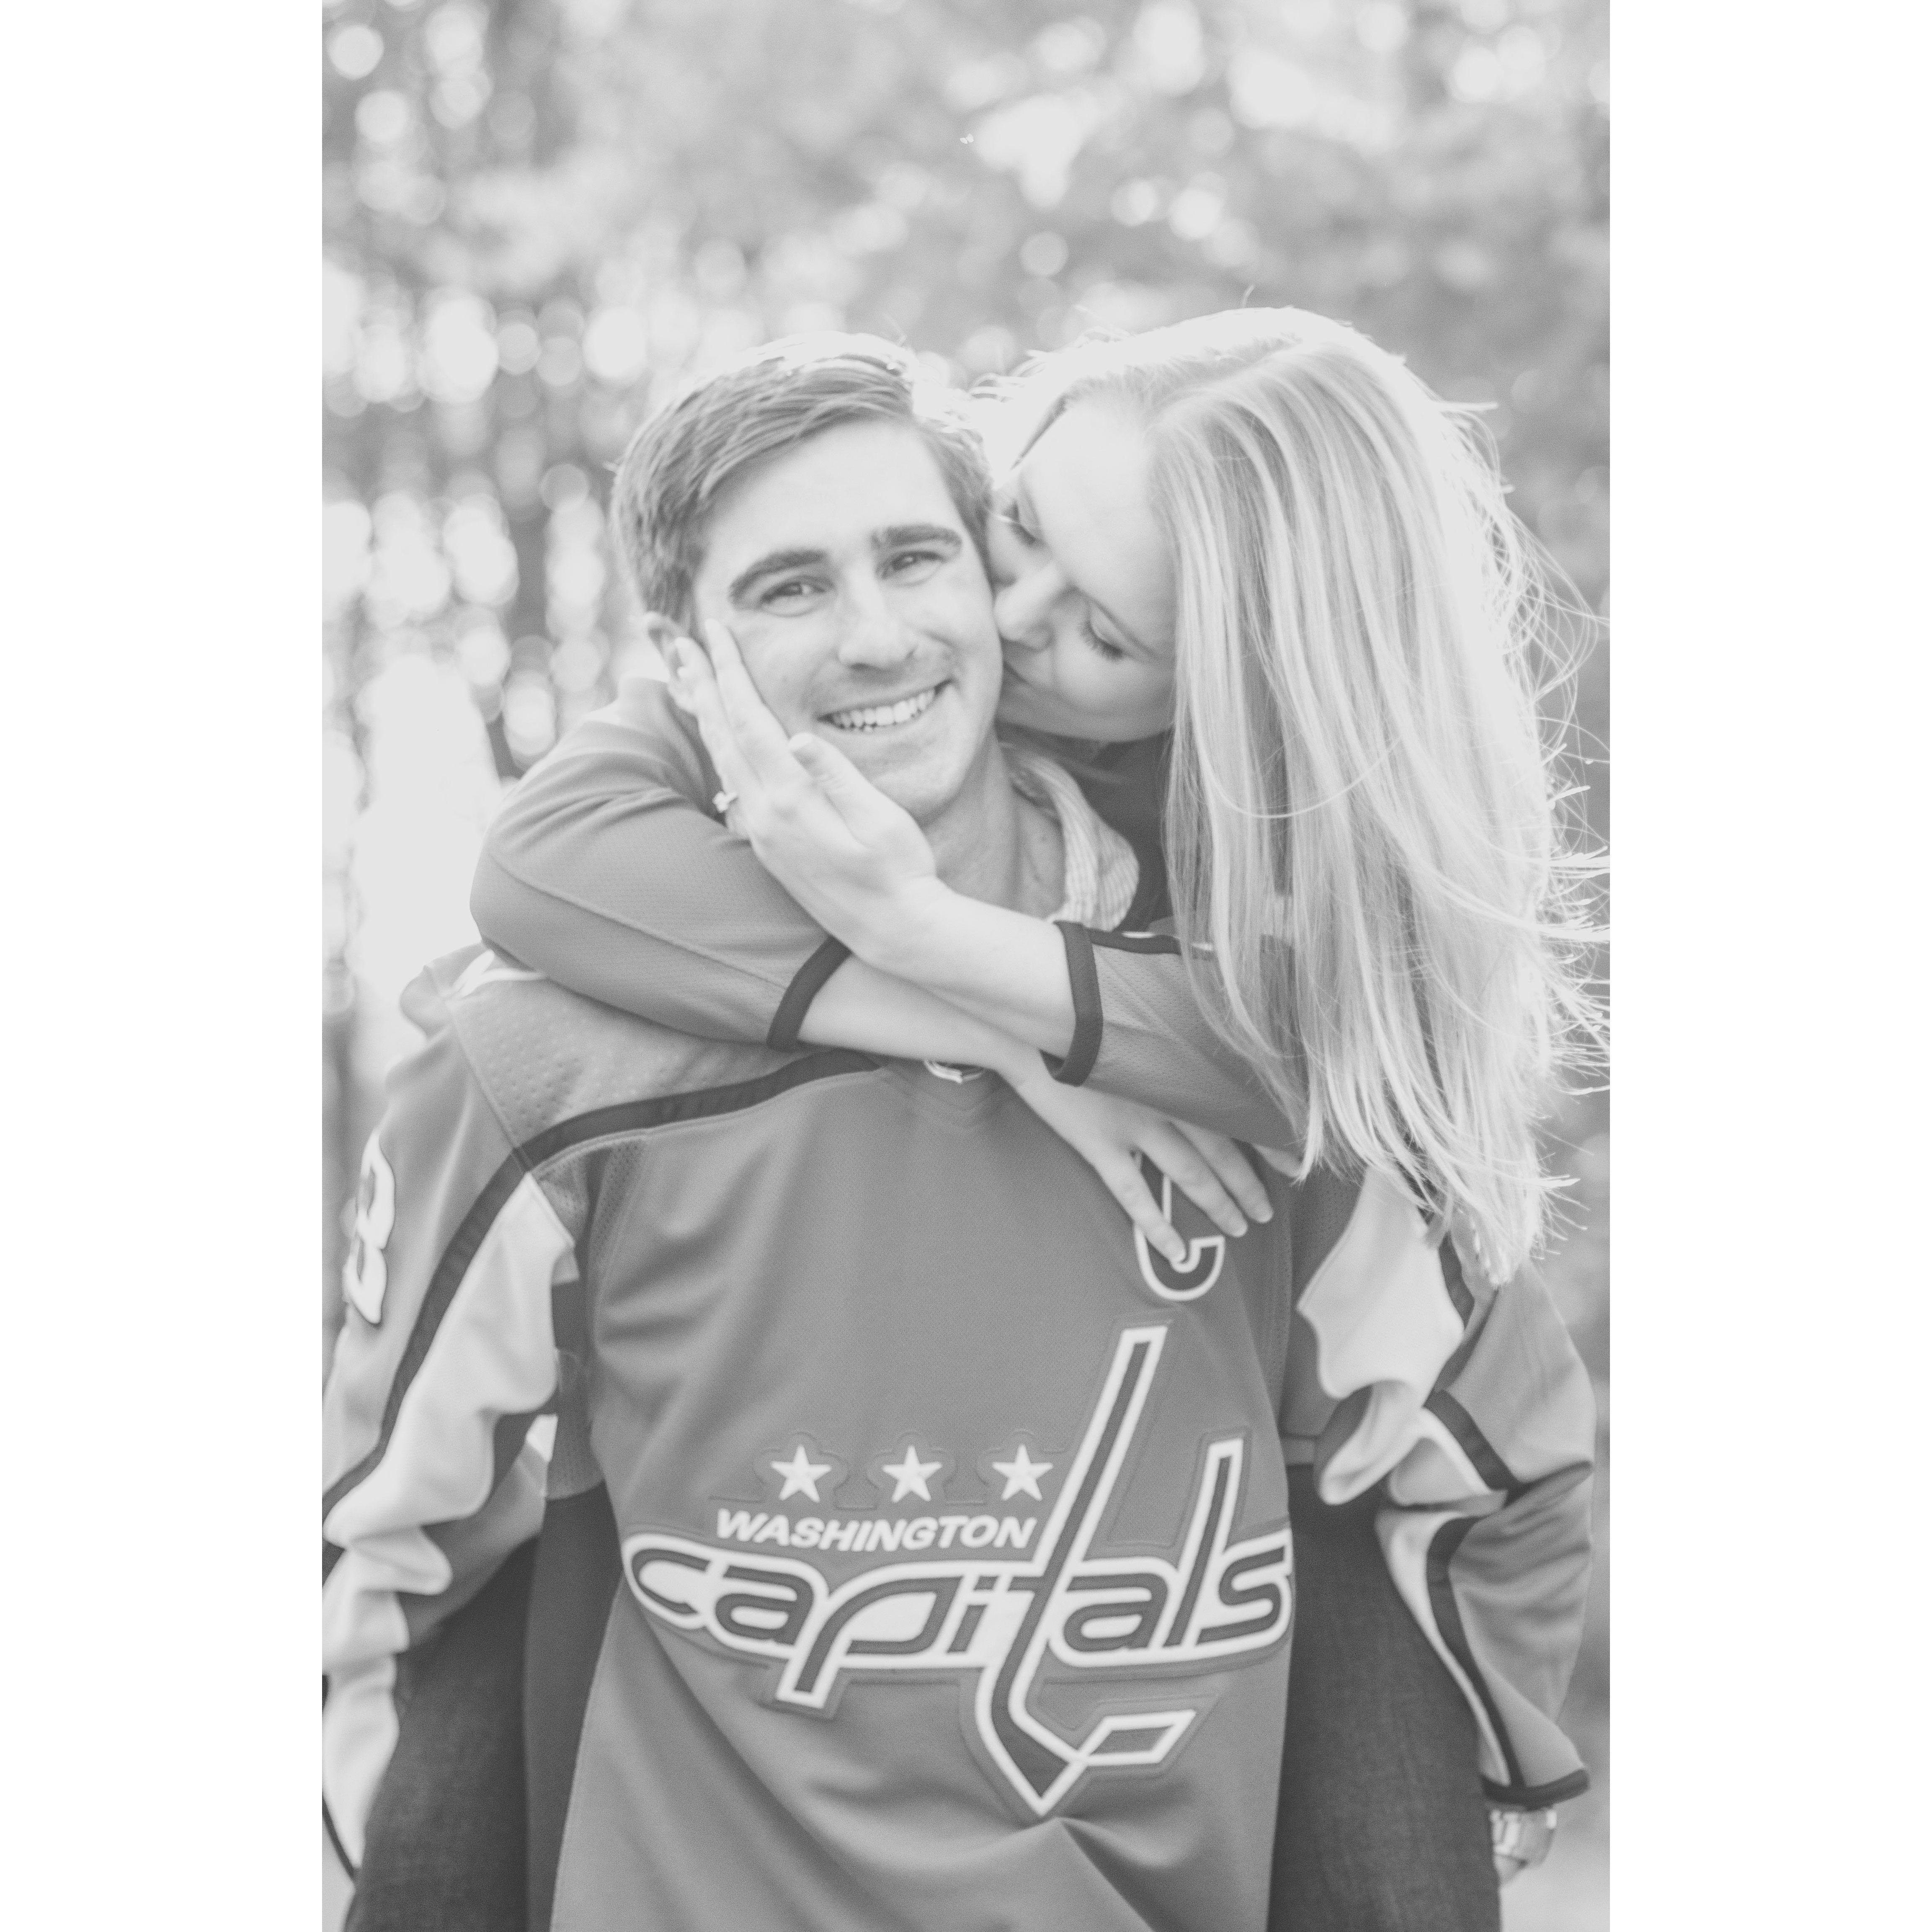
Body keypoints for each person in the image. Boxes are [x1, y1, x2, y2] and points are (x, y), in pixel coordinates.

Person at [325, 341, 1592, 1932]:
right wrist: (995, 1024)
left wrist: (1487, 1769)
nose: (892, 633)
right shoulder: (543, 1053)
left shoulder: (1270, 1037)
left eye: (921, 556)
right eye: (790, 587)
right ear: (684, 658)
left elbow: (1494, 1450)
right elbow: (378, 1552)